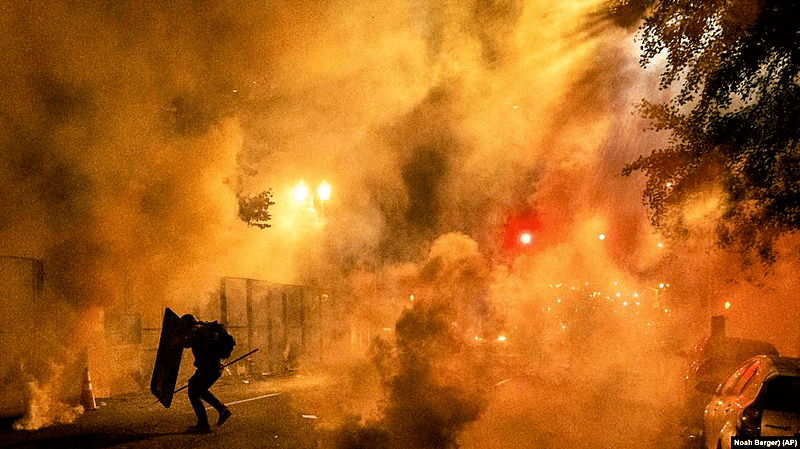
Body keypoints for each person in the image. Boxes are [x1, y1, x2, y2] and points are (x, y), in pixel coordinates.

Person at [179, 314, 232, 432]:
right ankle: (222, 410)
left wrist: (176, 337)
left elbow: (185, 343)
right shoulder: (206, 328)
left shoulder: (195, 329)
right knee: (198, 388)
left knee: (193, 392)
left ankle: (203, 424)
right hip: (214, 366)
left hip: (208, 367)